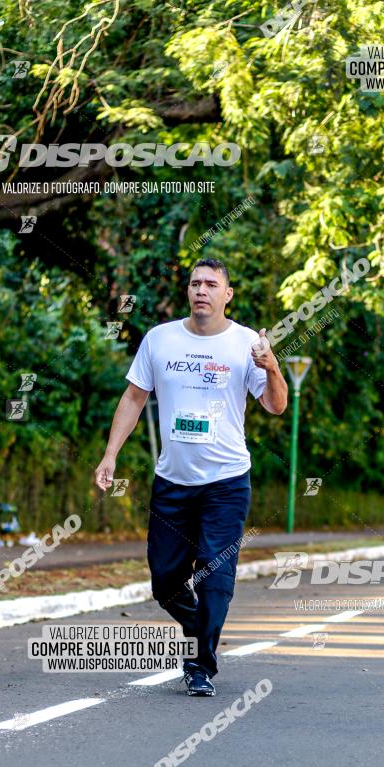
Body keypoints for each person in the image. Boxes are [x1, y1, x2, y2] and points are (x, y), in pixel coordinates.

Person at [94, 258, 288, 696]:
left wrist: (272, 366)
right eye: (195, 283)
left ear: (227, 294)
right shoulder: (160, 340)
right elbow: (133, 397)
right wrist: (110, 455)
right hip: (173, 482)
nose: (202, 290)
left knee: (214, 574)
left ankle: (201, 663)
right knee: (165, 580)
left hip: (226, 481)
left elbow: (276, 406)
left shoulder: (245, 344)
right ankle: (202, 628)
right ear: (189, 291)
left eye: (211, 284)